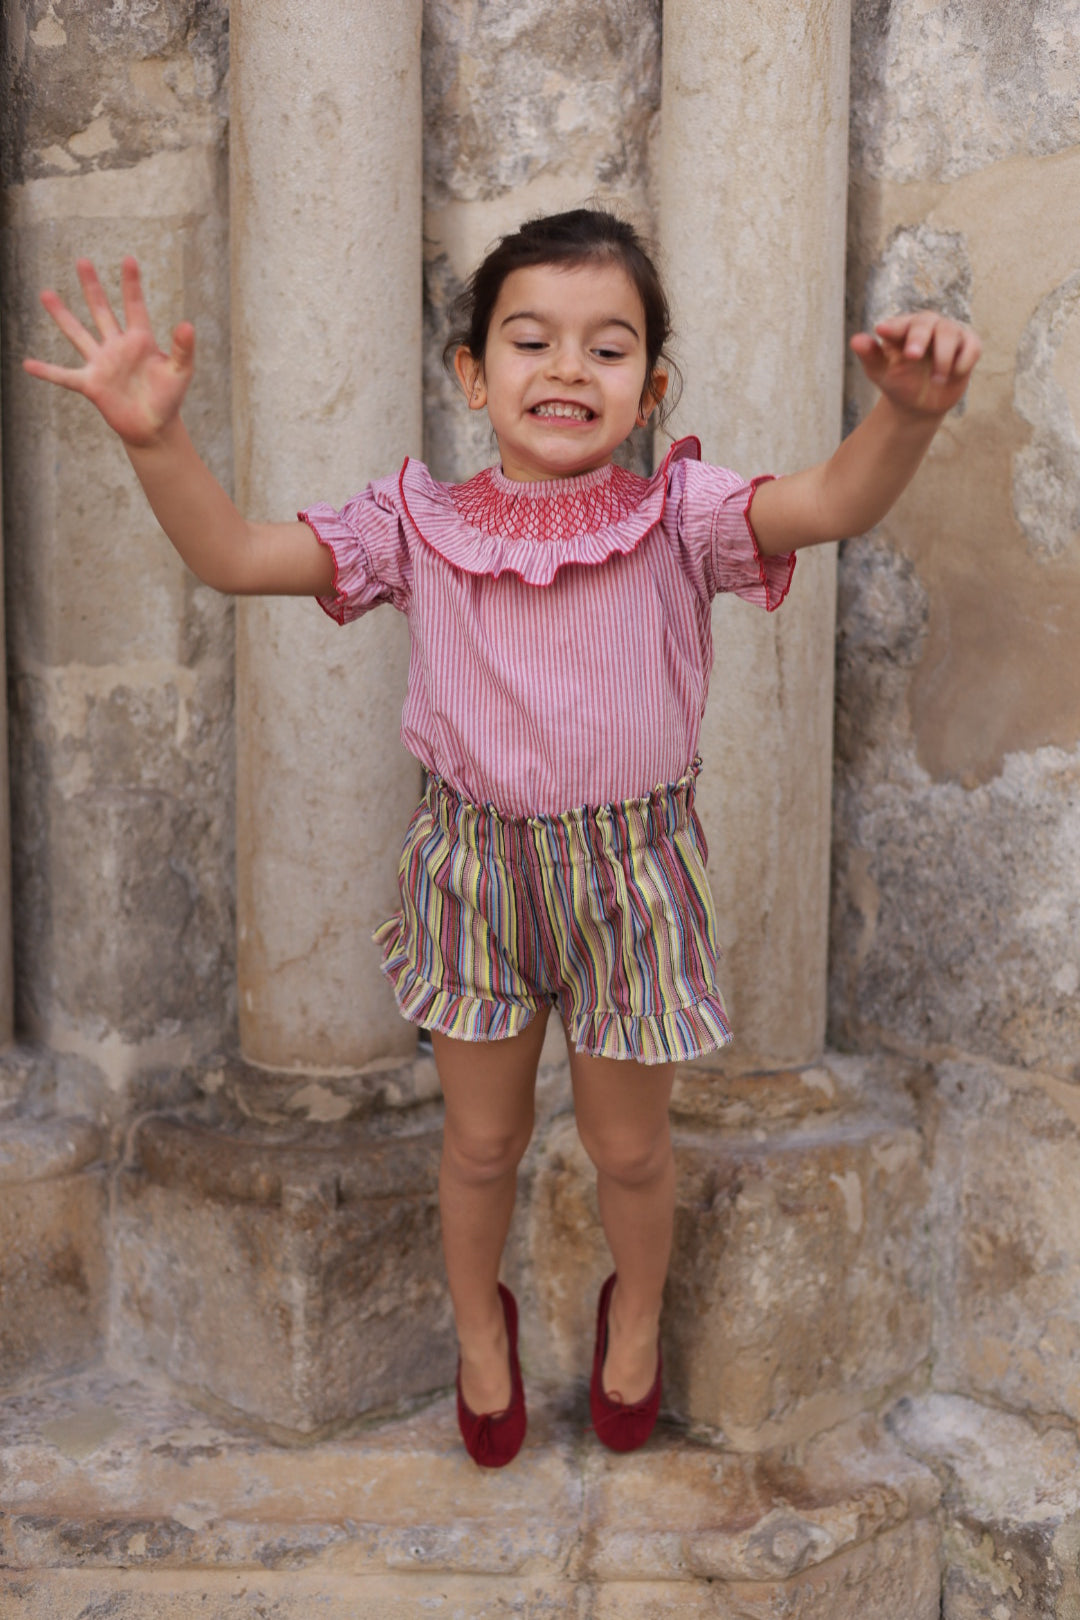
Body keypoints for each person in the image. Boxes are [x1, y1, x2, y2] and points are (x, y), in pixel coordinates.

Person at [24, 208, 980, 1469]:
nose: (568, 371)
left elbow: (832, 498)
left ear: (651, 387)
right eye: (530, 341)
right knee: (481, 1140)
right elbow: (236, 554)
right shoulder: (417, 525)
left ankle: (632, 1305)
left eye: (608, 348)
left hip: (631, 879)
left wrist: (904, 416)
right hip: (473, 874)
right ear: (473, 374)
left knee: (630, 1144)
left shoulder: (681, 517)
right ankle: (483, 1323)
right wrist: (155, 440)